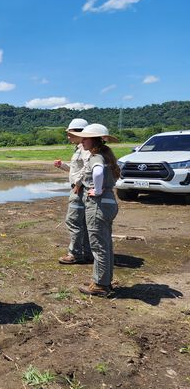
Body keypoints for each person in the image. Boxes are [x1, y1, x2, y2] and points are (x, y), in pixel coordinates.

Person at [68, 124, 120, 296]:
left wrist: (96, 190)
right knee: (105, 244)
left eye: (85, 138)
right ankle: (103, 280)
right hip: (108, 202)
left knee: (98, 246)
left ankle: (100, 284)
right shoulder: (105, 154)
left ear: (95, 140)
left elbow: (97, 173)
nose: (82, 141)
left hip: (98, 204)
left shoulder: (96, 156)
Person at [54, 118, 93, 264]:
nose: (68, 136)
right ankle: (87, 253)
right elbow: (77, 169)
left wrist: (77, 184)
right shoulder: (80, 148)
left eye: (70, 133)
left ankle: (75, 254)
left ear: (79, 133)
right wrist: (63, 166)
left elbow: (88, 168)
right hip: (80, 188)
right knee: (83, 223)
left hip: (79, 190)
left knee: (73, 221)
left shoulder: (85, 149)